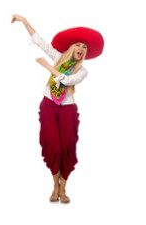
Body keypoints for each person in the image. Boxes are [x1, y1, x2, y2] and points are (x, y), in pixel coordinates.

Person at [12, 15, 104, 203]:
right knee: (54, 146)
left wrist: (46, 66)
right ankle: (55, 186)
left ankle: (64, 189)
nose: (81, 49)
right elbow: (40, 41)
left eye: (84, 47)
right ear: (72, 48)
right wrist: (23, 21)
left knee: (67, 147)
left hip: (68, 109)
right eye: (78, 45)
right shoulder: (58, 58)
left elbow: (67, 80)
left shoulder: (82, 71)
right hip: (49, 105)